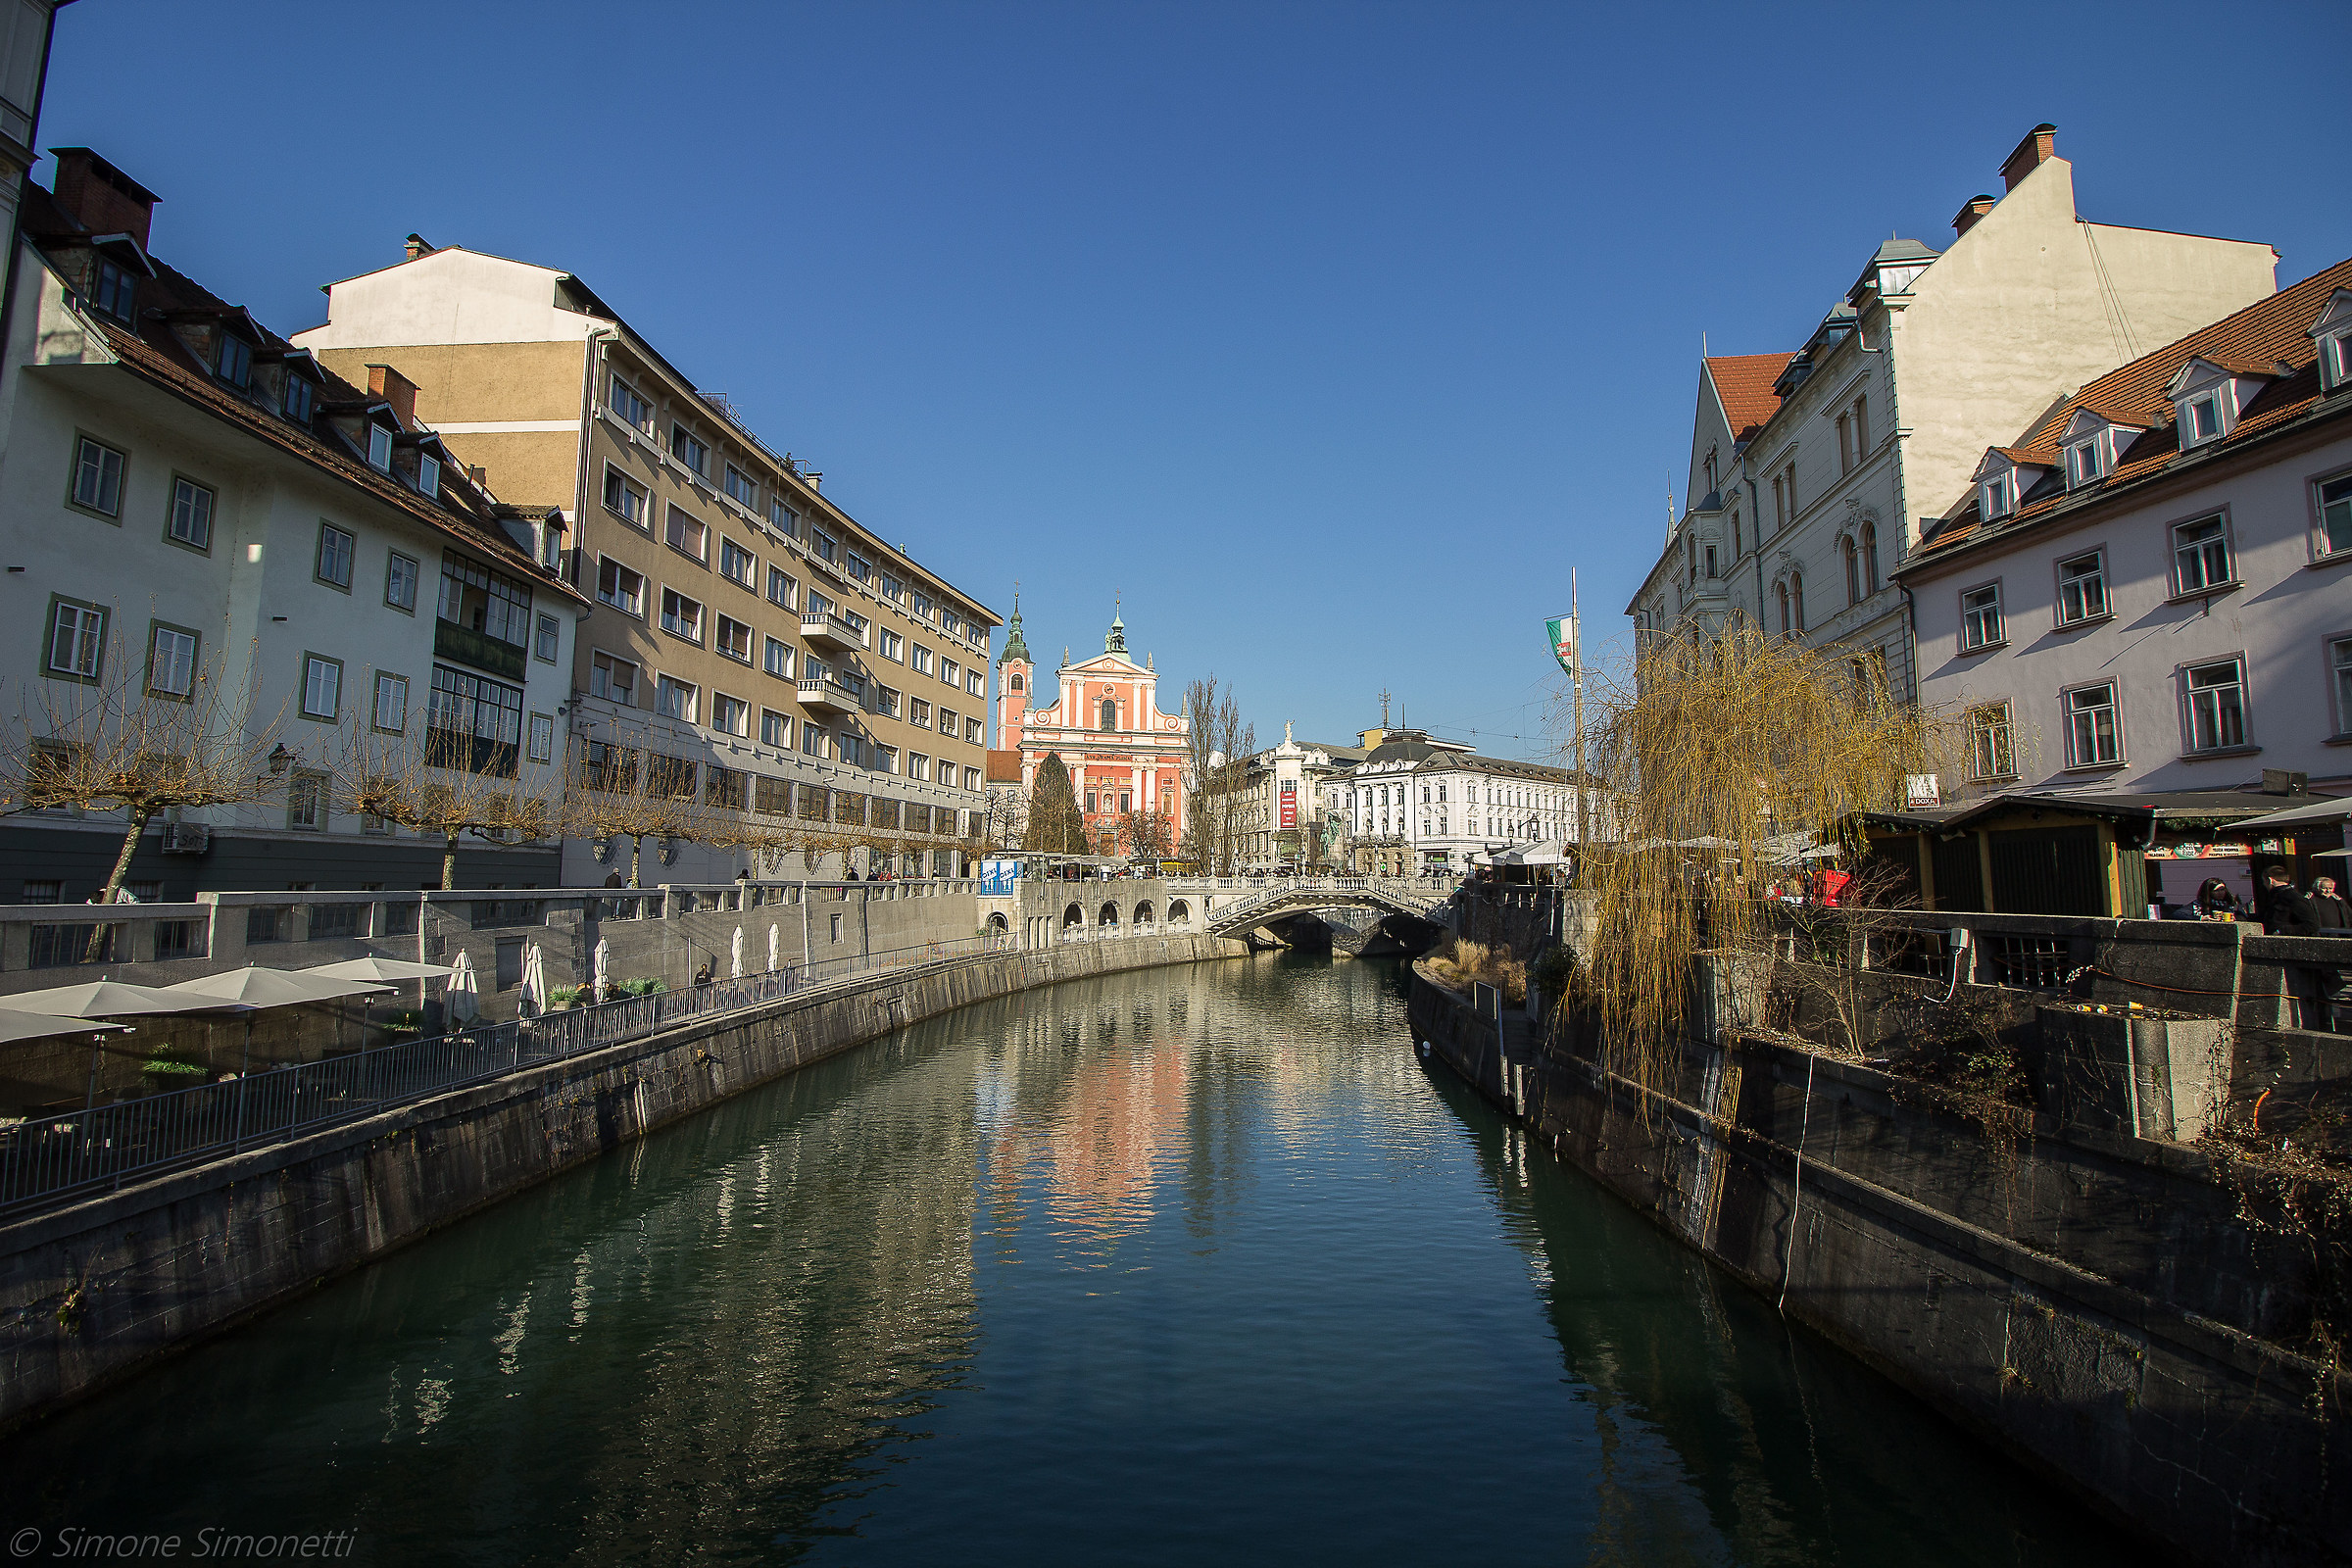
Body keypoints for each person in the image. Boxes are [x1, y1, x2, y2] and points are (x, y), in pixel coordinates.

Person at [2256, 864, 2318, 937]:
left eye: (2264, 881)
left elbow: (2311, 925)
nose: (2263, 884)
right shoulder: (2275, 896)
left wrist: (2281, 931)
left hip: (2289, 943)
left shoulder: (2292, 897)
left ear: (2270, 880)